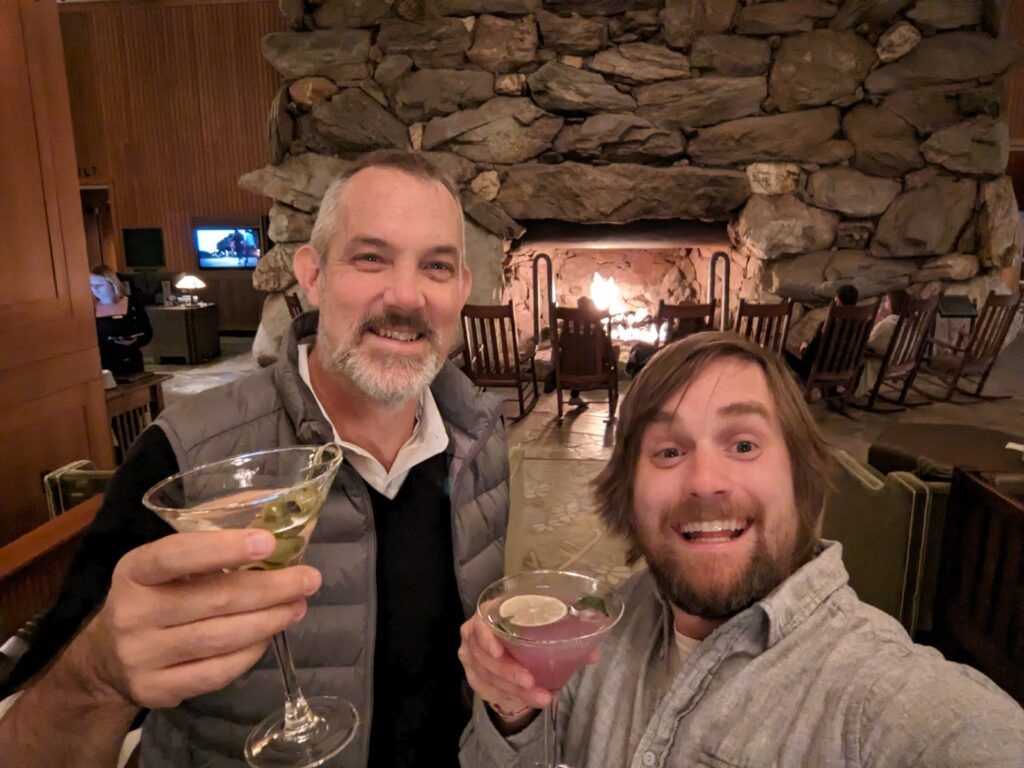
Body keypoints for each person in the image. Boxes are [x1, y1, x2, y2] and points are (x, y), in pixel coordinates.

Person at [0, 150, 510, 767]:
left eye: (435, 266)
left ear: (461, 290)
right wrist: (99, 676)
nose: (405, 295)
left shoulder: (481, 440)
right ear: (312, 275)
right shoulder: (184, 453)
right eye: (370, 257)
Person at [458, 332, 1024, 766]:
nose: (705, 481)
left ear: (801, 478)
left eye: (744, 444)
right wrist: (514, 706)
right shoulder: (607, 625)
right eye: (669, 451)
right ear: (628, 495)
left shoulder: (880, 694)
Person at [786, 283, 860, 380]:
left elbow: (808, 355)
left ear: (838, 301)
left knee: (784, 353)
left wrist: (803, 348)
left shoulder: (830, 325)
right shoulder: (859, 325)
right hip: (844, 371)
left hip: (819, 372)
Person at [90, 265, 153, 377]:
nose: (95, 289)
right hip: (103, 365)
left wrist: (135, 340)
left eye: (99, 285)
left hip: (130, 361)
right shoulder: (90, 309)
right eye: (91, 285)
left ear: (112, 284)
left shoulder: (132, 303)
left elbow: (147, 333)